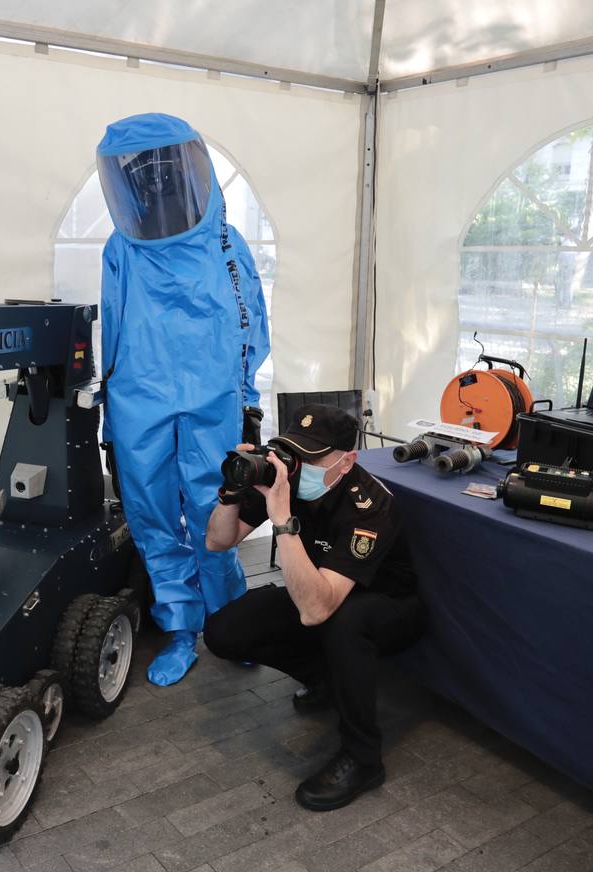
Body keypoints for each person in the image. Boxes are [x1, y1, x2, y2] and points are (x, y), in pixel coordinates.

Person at [96, 112, 270, 686]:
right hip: (138, 394)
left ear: (186, 164)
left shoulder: (223, 241)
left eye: (164, 165)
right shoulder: (122, 248)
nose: (156, 179)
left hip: (209, 392)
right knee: (149, 512)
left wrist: (246, 397)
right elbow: (113, 327)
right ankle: (179, 626)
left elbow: (251, 322)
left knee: (212, 506)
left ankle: (229, 619)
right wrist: (111, 405)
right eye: (143, 170)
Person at [203, 404, 424, 811]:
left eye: (312, 456)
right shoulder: (287, 479)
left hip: (387, 605)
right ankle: (323, 678)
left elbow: (316, 612)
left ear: (347, 460)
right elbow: (219, 540)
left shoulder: (369, 504)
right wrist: (232, 492)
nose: (298, 464)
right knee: (224, 631)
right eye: (292, 451)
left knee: (344, 622)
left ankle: (363, 758)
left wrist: (283, 520)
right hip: (319, 589)